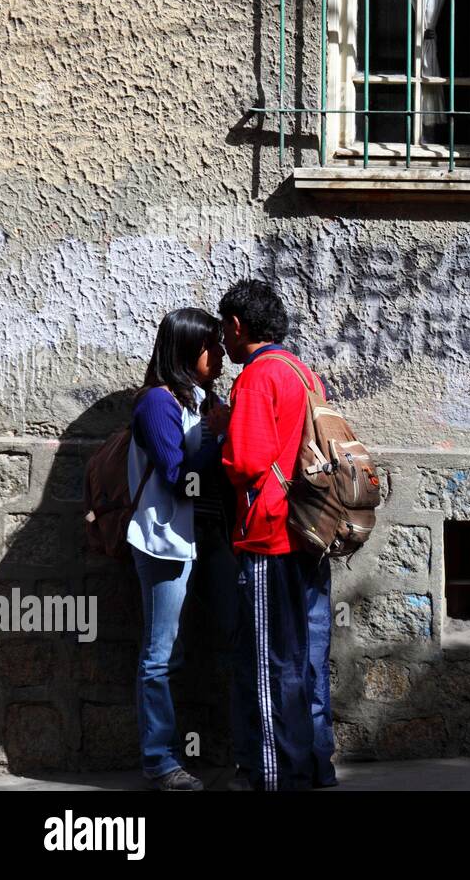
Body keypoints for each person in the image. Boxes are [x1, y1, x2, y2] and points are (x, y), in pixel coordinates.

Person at [219, 279, 335, 792]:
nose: (222, 343)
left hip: (271, 535)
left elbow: (244, 462)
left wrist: (221, 435)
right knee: (309, 657)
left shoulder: (256, 377)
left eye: (224, 331)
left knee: (270, 663)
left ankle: (273, 776)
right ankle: (317, 765)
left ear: (238, 326)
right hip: (312, 530)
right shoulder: (303, 373)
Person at [128, 308, 230, 790]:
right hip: (163, 541)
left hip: (200, 539)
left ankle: (194, 748)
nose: (221, 353)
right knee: (160, 654)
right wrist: (221, 436)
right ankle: (160, 760)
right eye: (211, 345)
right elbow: (176, 479)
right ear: (187, 350)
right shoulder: (157, 404)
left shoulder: (197, 399)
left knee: (189, 651)